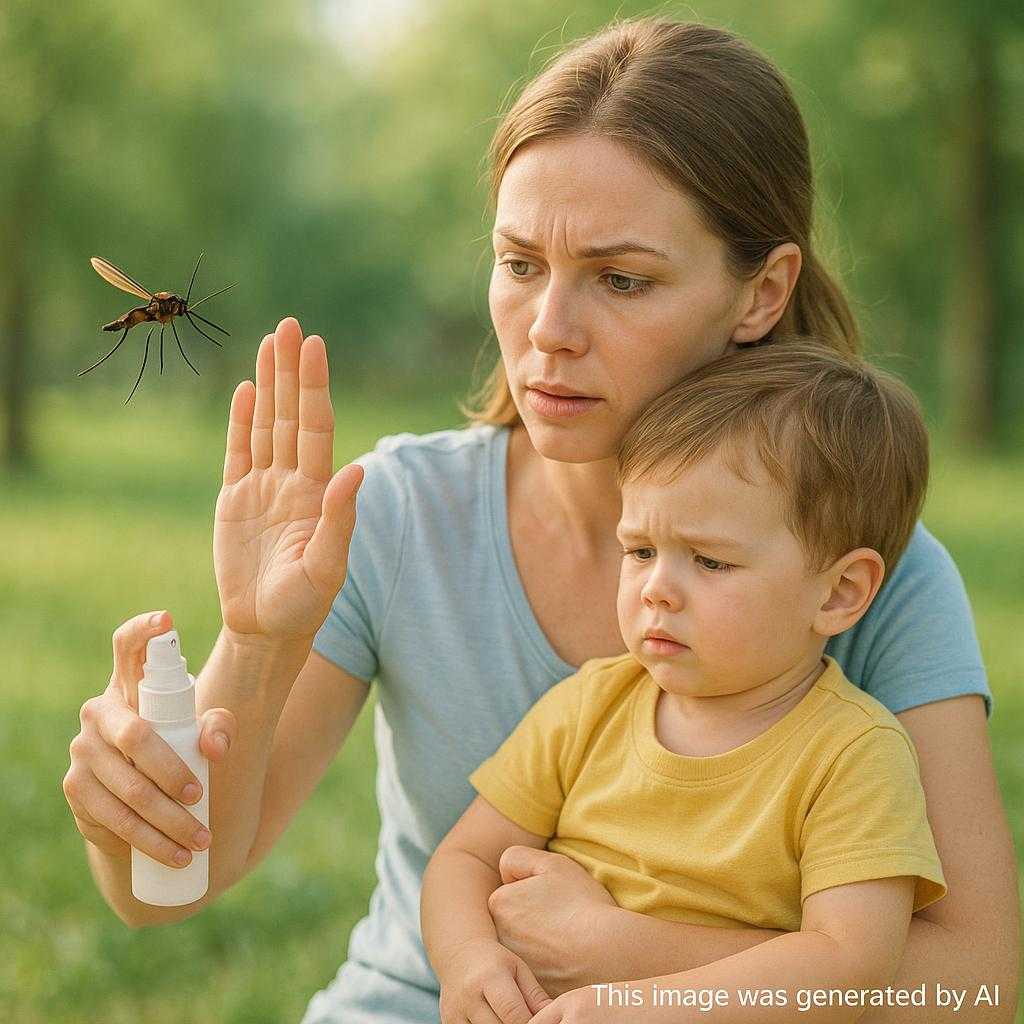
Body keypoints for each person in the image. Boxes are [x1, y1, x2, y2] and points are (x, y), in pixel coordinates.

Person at [62, 16, 1018, 1024]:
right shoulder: (396, 517)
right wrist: (256, 646)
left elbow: (977, 985)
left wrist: (629, 953)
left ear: (761, 293)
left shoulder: (869, 577)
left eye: (620, 279)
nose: (548, 334)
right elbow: (164, 888)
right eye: (519, 265)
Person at [421, 341, 947, 1024]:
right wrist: (468, 960)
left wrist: (640, 1003)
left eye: (710, 561)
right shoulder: (591, 705)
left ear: (840, 593)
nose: (657, 591)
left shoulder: (854, 754)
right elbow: (463, 857)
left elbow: (848, 963)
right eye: (640, 551)